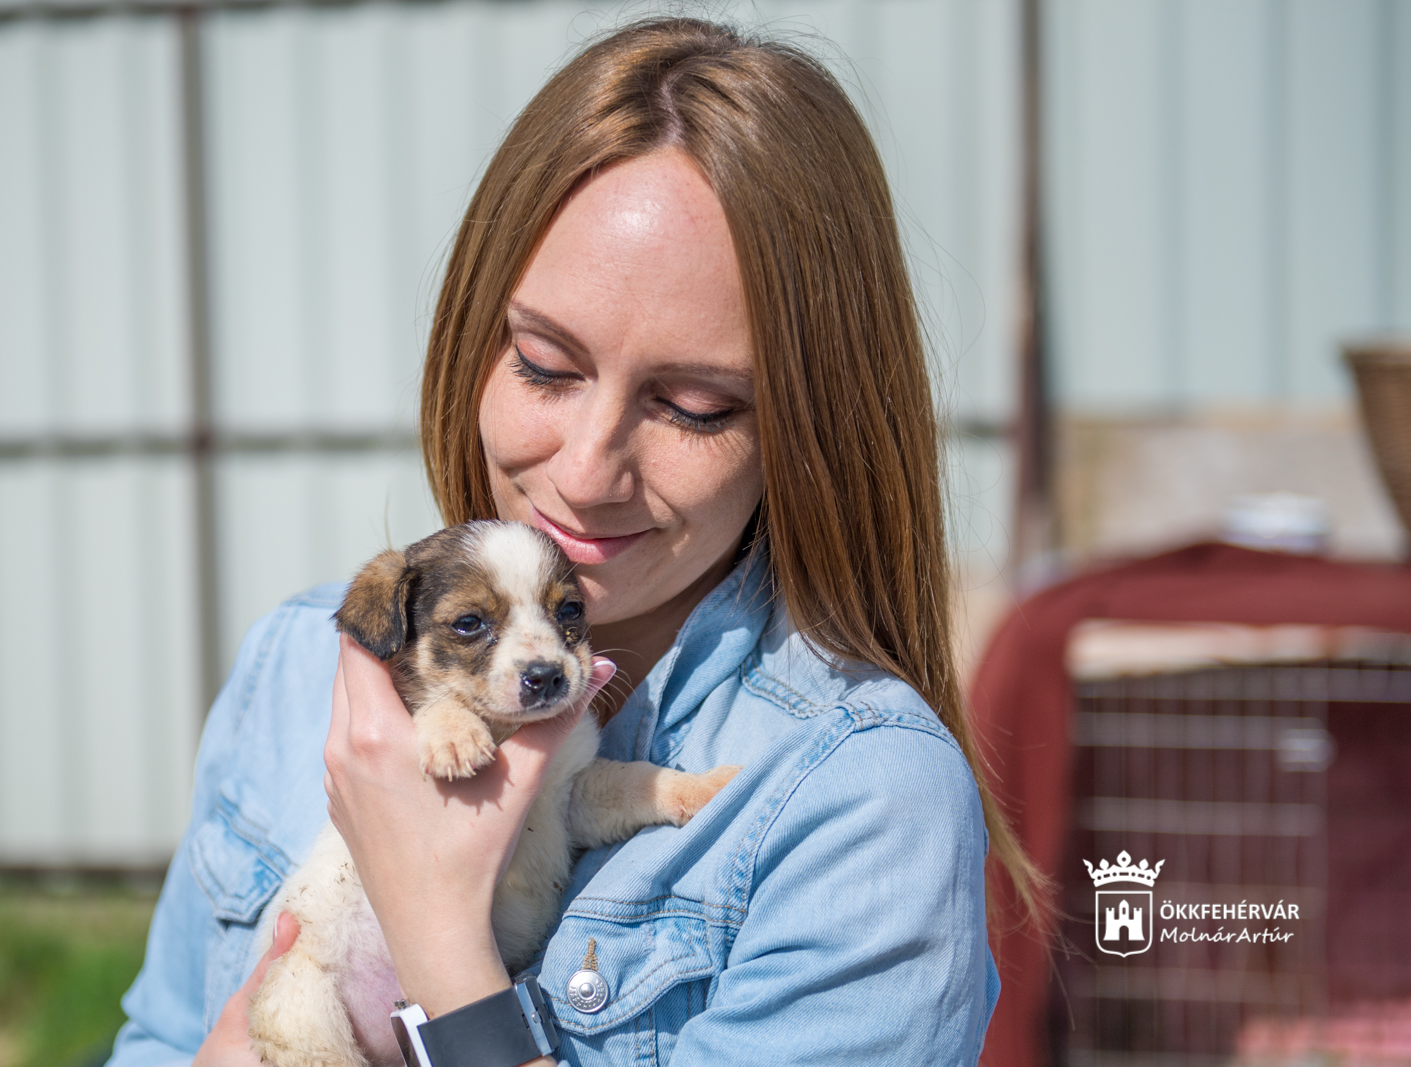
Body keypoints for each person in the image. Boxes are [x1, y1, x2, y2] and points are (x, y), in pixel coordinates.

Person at [108, 17, 1040, 1067]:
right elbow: (158, 1035)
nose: (588, 473)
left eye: (692, 406)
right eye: (545, 365)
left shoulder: (858, 804)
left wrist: (442, 946)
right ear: (474, 337)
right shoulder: (295, 662)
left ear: (810, 428)